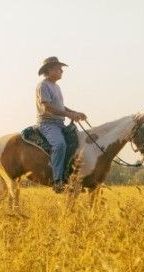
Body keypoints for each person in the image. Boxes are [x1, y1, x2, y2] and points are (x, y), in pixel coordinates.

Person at [35, 56, 88, 192]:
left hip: (59, 123)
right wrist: (70, 115)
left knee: (77, 142)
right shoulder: (43, 85)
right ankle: (57, 181)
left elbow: (61, 107)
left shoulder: (56, 87)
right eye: (59, 69)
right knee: (59, 144)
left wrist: (76, 112)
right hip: (47, 124)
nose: (61, 71)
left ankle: (72, 176)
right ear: (50, 69)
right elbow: (47, 107)